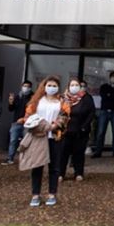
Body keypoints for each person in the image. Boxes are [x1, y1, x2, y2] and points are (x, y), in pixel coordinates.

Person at [22, 76, 70, 206]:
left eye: (54, 86)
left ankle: (52, 194)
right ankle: (35, 194)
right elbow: (28, 116)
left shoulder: (62, 101)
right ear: (44, 86)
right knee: (37, 166)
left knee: (54, 167)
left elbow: (65, 116)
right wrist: (39, 126)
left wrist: (54, 126)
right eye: (49, 85)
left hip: (55, 137)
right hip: (38, 137)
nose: (51, 88)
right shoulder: (37, 101)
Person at [61, 77, 93, 181]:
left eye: (76, 85)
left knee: (78, 152)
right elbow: (60, 112)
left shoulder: (86, 98)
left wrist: (84, 126)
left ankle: (78, 173)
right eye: (72, 85)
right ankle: (60, 173)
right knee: (63, 153)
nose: (74, 87)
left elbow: (91, 113)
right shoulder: (64, 98)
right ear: (68, 87)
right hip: (66, 130)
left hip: (81, 130)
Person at [93, 71, 114, 158]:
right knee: (100, 132)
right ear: (109, 78)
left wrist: (110, 95)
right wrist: (112, 95)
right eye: (112, 77)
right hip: (104, 111)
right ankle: (98, 152)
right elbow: (104, 96)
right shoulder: (104, 87)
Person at [2, 79, 33, 166]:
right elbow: (11, 109)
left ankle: (26, 159)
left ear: (30, 88)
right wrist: (10, 102)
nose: (26, 88)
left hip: (28, 123)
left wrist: (24, 119)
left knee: (26, 142)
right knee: (13, 140)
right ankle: (10, 158)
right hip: (16, 122)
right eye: (24, 86)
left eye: (28, 87)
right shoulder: (18, 96)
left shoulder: (33, 98)